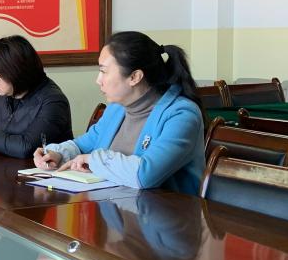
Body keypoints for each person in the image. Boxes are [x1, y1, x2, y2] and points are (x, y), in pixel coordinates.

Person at [34, 31, 205, 194]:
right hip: (117, 205)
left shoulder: (181, 115)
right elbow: (84, 144)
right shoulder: (117, 108)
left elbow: (145, 175)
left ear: (134, 77)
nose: (98, 80)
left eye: (103, 71)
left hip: (167, 211)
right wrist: (57, 153)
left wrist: (93, 160)